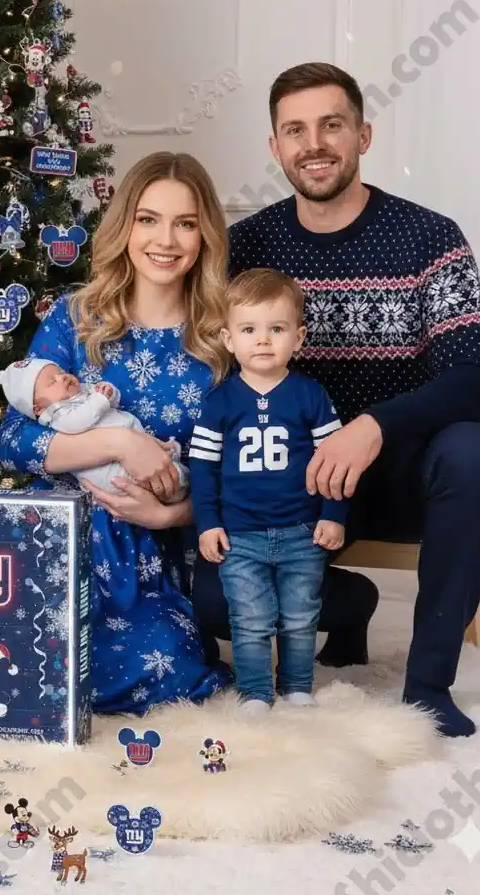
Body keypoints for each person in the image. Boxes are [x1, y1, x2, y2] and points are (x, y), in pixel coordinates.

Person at [193, 62, 480, 737]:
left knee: (477, 454)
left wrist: (372, 425)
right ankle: (350, 604)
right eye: (295, 130)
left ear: (362, 135)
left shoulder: (429, 238)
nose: (315, 144)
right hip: (279, 489)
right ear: (275, 147)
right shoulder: (247, 248)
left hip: (395, 473)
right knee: (214, 606)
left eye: (332, 125)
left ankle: (427, 686)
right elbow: (200, 364)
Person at [0, 152, 233, 713]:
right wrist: (120, 442)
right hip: (58, 532)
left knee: (168, 663)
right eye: (148, 219)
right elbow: (13, 442)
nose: (166, 240)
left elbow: (247, 469)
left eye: (186, 223)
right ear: (124, 225)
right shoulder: (75, 316)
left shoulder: (225, 335)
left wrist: (173, 515)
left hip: (150, 554)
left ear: (206, 235)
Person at [190, 268, 347, 711]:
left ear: (298, 338)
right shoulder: (220, 401)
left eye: (276, 329)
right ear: (227, 338)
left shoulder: (310, 395)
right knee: (250, 618)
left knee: (300, 617)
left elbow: (335, 463)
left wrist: (334, 515)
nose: (263, 340)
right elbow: (203, 468)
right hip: (240, 535)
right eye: (249, 329)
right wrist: (208, 524)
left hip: (302, 530)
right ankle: (256, 692)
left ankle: (297, 687)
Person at [0, 359, 189, 500]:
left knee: (157, 457)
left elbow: (110, 403)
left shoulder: (82, 392)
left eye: (61, 372)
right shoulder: (56, 415)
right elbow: (77, 422)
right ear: (37, 408)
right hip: (109, 471)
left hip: (134, 440)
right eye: (52, 382)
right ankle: (169, 488)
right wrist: (99, 400)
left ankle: (172, 467)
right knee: (137, 480)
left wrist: (108, 393)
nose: (62, 378)